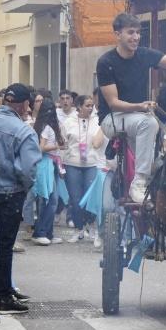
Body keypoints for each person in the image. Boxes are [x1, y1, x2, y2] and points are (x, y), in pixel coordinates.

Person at [98, 13, 166, 202]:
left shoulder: (145, 54)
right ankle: (139, 182)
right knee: (148, 123)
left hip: (138, 118)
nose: (136, 37)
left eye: (138, 33)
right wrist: (140, 106)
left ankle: (155, 180)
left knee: (156, 159)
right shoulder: (106, 62)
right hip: (112, 120)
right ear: (117, 35)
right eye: (130, 33)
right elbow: (113, 103)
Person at [0, 84, 42, 315]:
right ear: (25, 104)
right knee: (4, 246)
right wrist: (24, 187)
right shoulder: (24, 131)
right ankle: (3, 295)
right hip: (10, 193)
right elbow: (27, 169)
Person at [61, 94, 105, 244]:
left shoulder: (97, 121)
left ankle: (92, 227)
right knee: (75, 199)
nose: (90, 108)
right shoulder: (68, 122)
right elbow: (63, 143)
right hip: (72, 163)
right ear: (79, 106)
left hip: (91, 164)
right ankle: (79, 229)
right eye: (87, 105)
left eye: (92, 105)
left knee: (90, 199)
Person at [31, 100, 66, 245]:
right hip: (46, 164)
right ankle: (40, 232)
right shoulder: (46, 127)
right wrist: (58, 145)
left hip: (51, 163)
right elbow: (41, 148)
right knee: (49, 200)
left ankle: (48, 233)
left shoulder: (46, 126)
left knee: (51, 200)